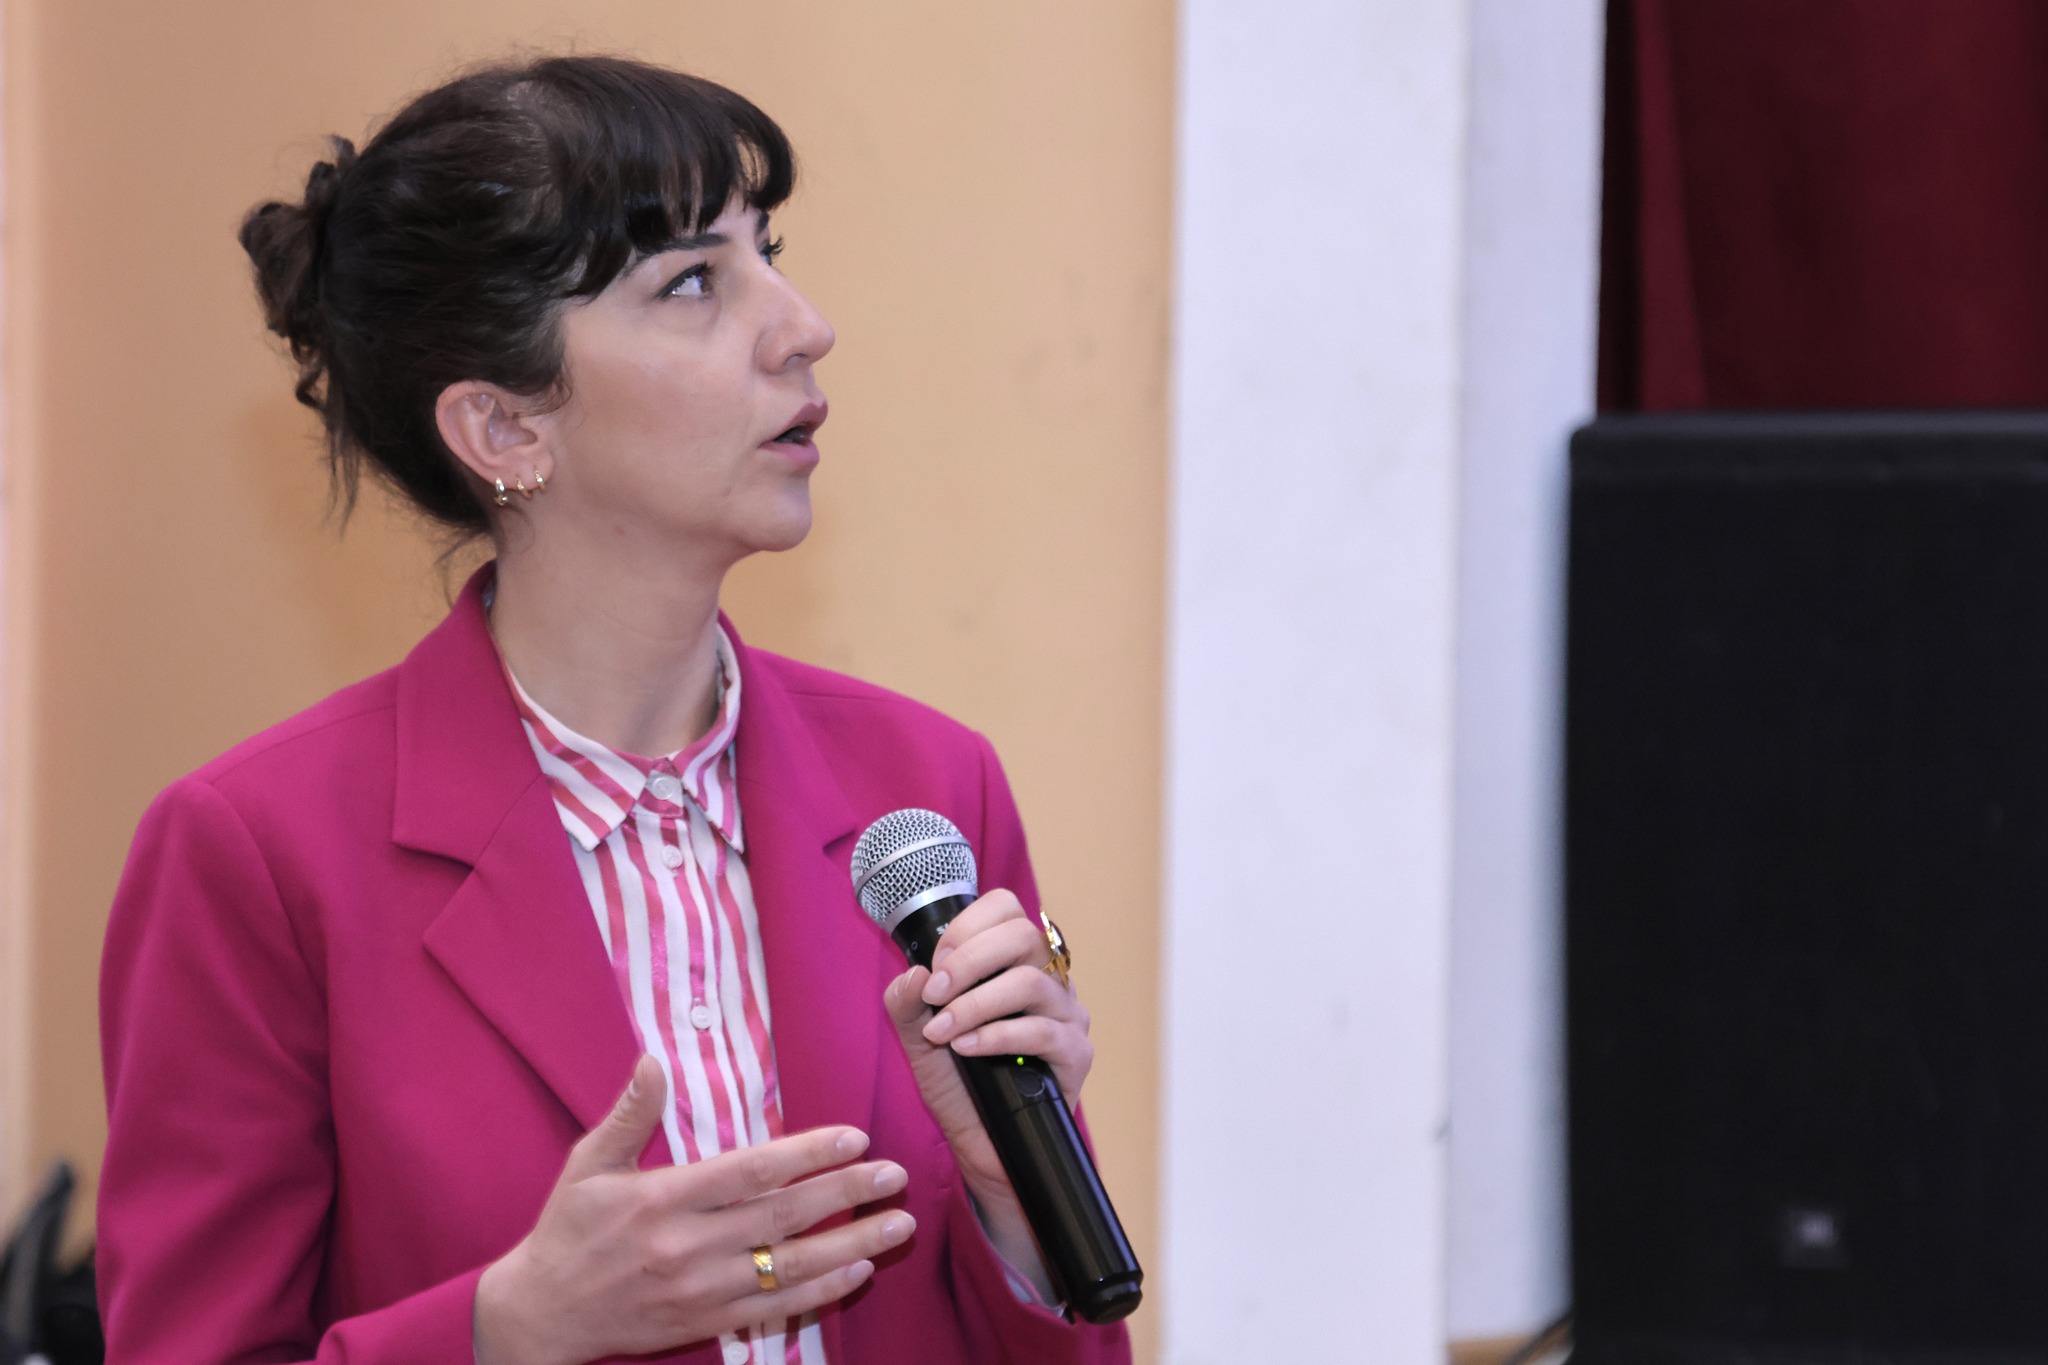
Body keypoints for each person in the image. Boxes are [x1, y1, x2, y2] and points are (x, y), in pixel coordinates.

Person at [95, 54, 1131, 1365]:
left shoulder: (926, 789)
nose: (802, 326)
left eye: (768, 253)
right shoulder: (257, 853)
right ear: (503, 427)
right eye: (693, 281)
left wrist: (1013, 1208)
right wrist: (507, 1328)